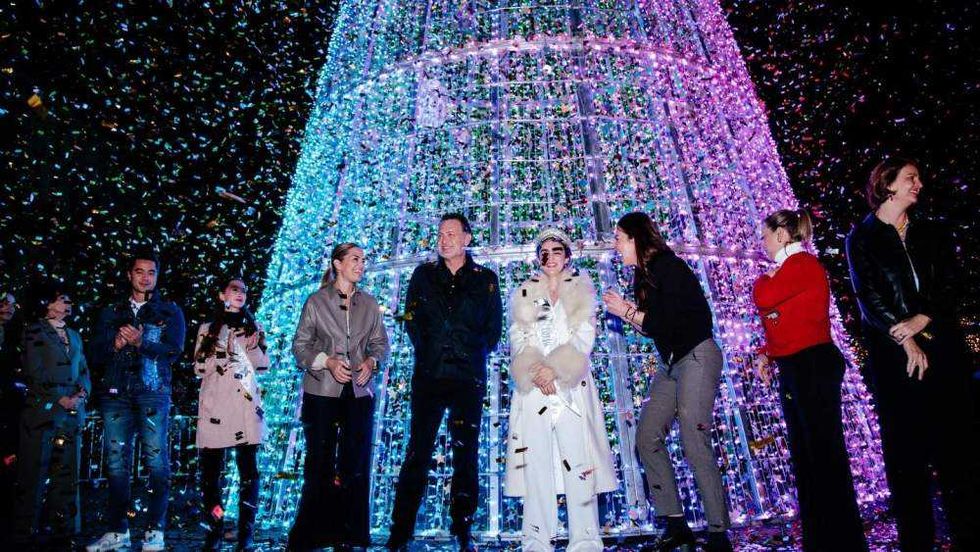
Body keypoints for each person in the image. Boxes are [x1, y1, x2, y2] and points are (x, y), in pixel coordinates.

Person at [845, 157, 978, 551]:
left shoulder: (931, 233)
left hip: (945, 354)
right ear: (887, 185)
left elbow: (952, 284)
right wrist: (905, 338)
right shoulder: (861, 238)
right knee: (907, 460)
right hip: (895, 361)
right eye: (910, 178)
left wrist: (924, 318)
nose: (919, 183)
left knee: (958, 453)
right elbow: (868, 297)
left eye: (918, 176)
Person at [602, 212, 732, 552]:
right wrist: (628, 309)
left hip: (697, 356)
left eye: (619, 238)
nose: (615, 245)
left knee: (693, 437)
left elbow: (668, 320)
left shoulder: (667, 267)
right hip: (673, 362)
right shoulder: (642, 277)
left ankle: (718, 532)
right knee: (646, 437)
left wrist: (626, 312)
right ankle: (675, 523)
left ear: (635, 239)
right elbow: (653, 327)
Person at [752, 209, 867, 552]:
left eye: (766, 235)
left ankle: (841, 538)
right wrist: (766, 352)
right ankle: (821, 536)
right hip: (796, 365)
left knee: (824, 455)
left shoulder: (801, 265)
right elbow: (783, 321)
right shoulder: (791, 269)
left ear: (782, 235)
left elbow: (765, 298)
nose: (763, 242)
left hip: (812, 366)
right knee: (807, 455)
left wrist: (763, 279)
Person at [387, 213, 502, 552]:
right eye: (441, 234)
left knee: (466, 454)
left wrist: (470, 352)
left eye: (452, 233)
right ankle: (401, 530)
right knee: (417, 453)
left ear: (467, 238)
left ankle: (463, 528)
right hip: (429, 377)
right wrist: (428, 350)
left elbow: (493, 329)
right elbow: (410, 319)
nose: (445, 239)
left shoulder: (486, 280)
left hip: (467, 379)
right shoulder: (422, 276)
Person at [505, 228, 617, 552]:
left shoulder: (581, 292)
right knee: (535, 460)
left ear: (567, 256)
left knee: (579, 461)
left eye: (557, 251)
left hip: (570, 387)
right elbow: (518, 336)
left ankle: (585, 540)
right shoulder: (526, 293)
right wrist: (535, 370)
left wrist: (555, 368)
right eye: (544, 251)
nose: (550, 256)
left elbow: (584, 337)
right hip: (535, 387)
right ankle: (536, 539)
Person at [289, 243, 390, 551]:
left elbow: (380, 344)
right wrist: (328, 361)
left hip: (358, 394)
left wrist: (371, 363)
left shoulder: (370, 304)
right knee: (319, 462)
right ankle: (312, 535)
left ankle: (350, 535)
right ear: (338, 264)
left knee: (354, 463)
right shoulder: (316, 302)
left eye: (363, 260)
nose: (361, 265)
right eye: (355, 259)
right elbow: (300, 346)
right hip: (321, 393)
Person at [87, 249, 186, 552]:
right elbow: (94, 354)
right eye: (140, 271)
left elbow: (175, 350)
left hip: (152, 393)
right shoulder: (111, 311)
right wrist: (115, 343)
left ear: (157, 276)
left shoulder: (169, 311)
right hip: (115, 394)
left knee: (156, 461)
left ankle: (154, 530)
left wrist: (143, 342)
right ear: (130, 274)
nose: (146, 277)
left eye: (151, 272)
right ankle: (118, 530)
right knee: (117, 464)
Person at [193, 276, 269, 551]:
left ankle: (245, 534)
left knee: (249, 473)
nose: (240, 294)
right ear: (222, 294)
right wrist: (221, 353)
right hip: (215, 406)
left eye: (244, 290)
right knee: (211, 476)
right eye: (234, 289)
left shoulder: (254, 327)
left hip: (245, 406)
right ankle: (214, 529)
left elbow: (263, 365)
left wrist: (250, 347)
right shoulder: (207, 329)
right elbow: (199, 368)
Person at [12, 282, 90, 546]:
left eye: (69, 300)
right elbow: (33, 372)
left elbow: (84, 371)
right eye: (62, 299)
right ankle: (25, 531)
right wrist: (59, 399)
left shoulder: (76, 336)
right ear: (48, 302)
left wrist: (81, 396)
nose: (67, 305)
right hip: (43, 413)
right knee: (33, 471)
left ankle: (65, 529)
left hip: (71, 415)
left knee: (67, 472)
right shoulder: (33, 332)